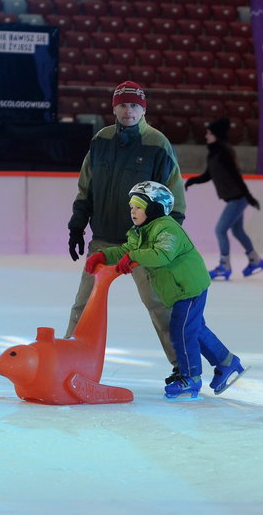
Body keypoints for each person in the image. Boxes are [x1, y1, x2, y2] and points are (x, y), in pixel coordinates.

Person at [67, 80, 186, 384]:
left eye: (134, 105)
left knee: (158, 304)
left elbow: (174, 196)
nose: (128, 110)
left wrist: (167, 238)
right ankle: (68, 359)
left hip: (144, 244)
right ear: (114, 108)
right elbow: (86, 187)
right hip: (105, 239)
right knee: (84, 302)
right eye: (122, 104)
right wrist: (77, 225)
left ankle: (182, 366)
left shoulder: (157, 144)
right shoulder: (101, 140)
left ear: (143, 108)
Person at [85, 181, 245, 398]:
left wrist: (133, 257)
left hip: (188, 287)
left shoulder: (167, 228)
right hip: (177, 290)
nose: (133, 211)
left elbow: (162, 255)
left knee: (181, 330)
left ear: (154, 209)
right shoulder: (139, 231)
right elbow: (127, 249)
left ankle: (190, 378)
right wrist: (104, 255)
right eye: (132, 207)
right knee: (195, 329)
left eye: (139, 207)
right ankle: (228, 362)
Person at [184, 117, 263, 280]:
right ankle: (255, 260)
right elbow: (208, 175)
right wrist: (193, 180)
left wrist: (249, 197)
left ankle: (224, 265)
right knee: (237, 230)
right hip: (233, 198)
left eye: (209, 133)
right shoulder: (214, 153)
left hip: (238, 198)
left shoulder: (223, 152)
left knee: (220, 230)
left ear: (216, 134)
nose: (206, 136)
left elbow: (236, 176)